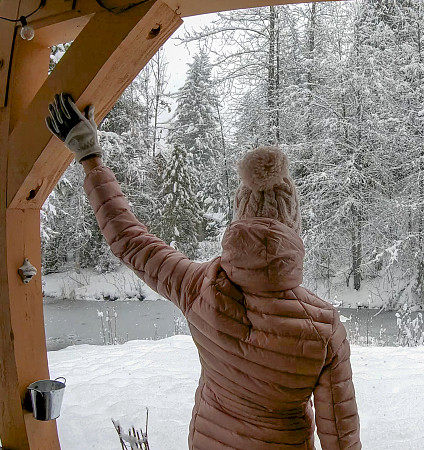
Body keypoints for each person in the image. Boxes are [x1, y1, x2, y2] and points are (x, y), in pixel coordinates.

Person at [46, 93, 361, 449]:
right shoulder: (322, 326)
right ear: (293, 228)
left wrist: (90, 158)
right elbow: (341, 437)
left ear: (240, 218)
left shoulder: (199, 286)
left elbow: (130, 240)